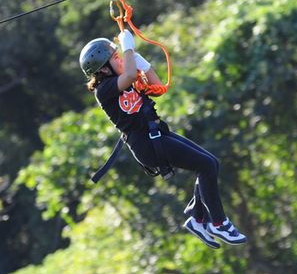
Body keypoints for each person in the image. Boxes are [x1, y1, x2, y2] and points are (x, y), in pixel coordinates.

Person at [79, 29, 247, 248]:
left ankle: (197, 219)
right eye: (116, 58)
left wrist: (143, 64)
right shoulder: (105, 89)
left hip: (157, 133)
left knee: (211, 163)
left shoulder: (126, 78)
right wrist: (128, 47)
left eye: (120, 56)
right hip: (146, 145)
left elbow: (156, 86)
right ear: (103, 69)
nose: (122, 59)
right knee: (205, 166)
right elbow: (128, 75)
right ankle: (218, 222)